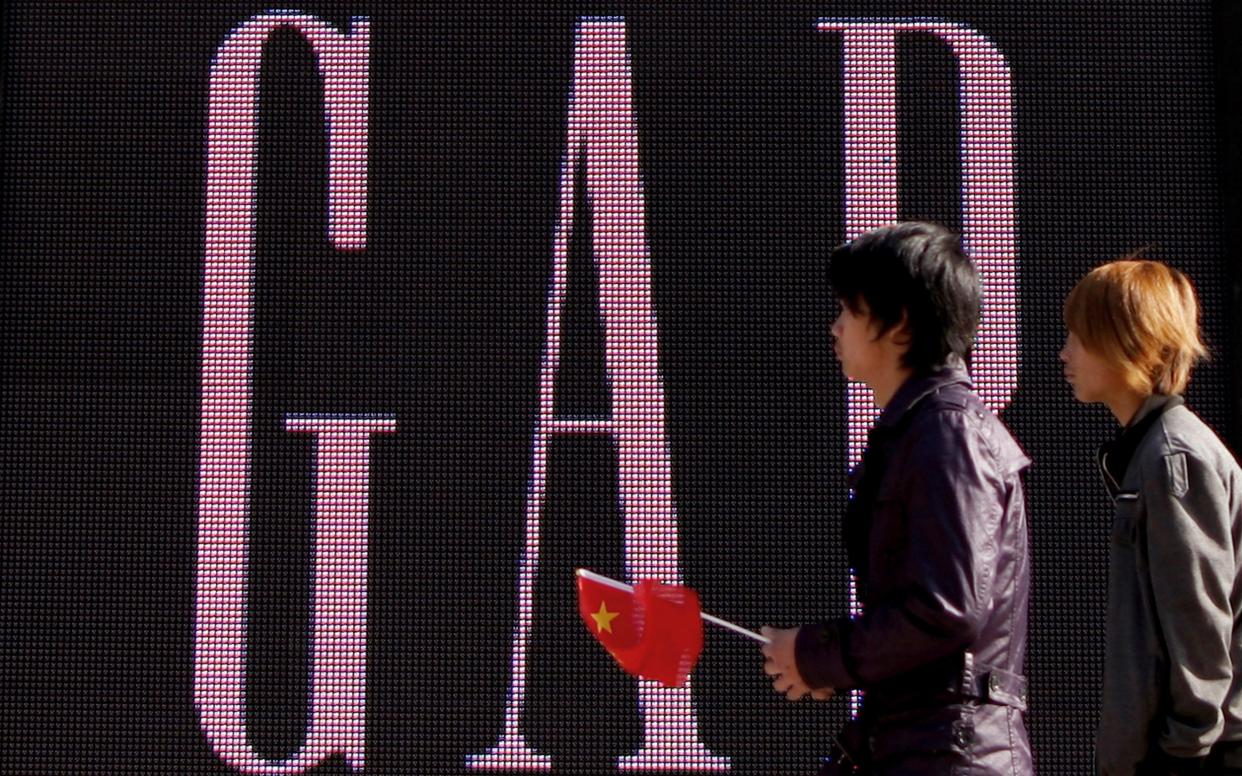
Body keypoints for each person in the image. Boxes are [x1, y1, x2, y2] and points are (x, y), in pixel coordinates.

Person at [761, 222, 1033, 774]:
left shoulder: (947, 432)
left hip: (950, 753)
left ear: (900, 324)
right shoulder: (927, 429)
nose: (834, 327)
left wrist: (820, 657)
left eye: (850, 309)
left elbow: (946, 609)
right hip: (926, 744)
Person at [1060, 259, 1242, 774]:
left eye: (1078, 335)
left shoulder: (1172, 460)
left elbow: (1199, 630)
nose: (1064, 353)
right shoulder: (1160, 454)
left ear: (1126, 342)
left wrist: (1179, 752)